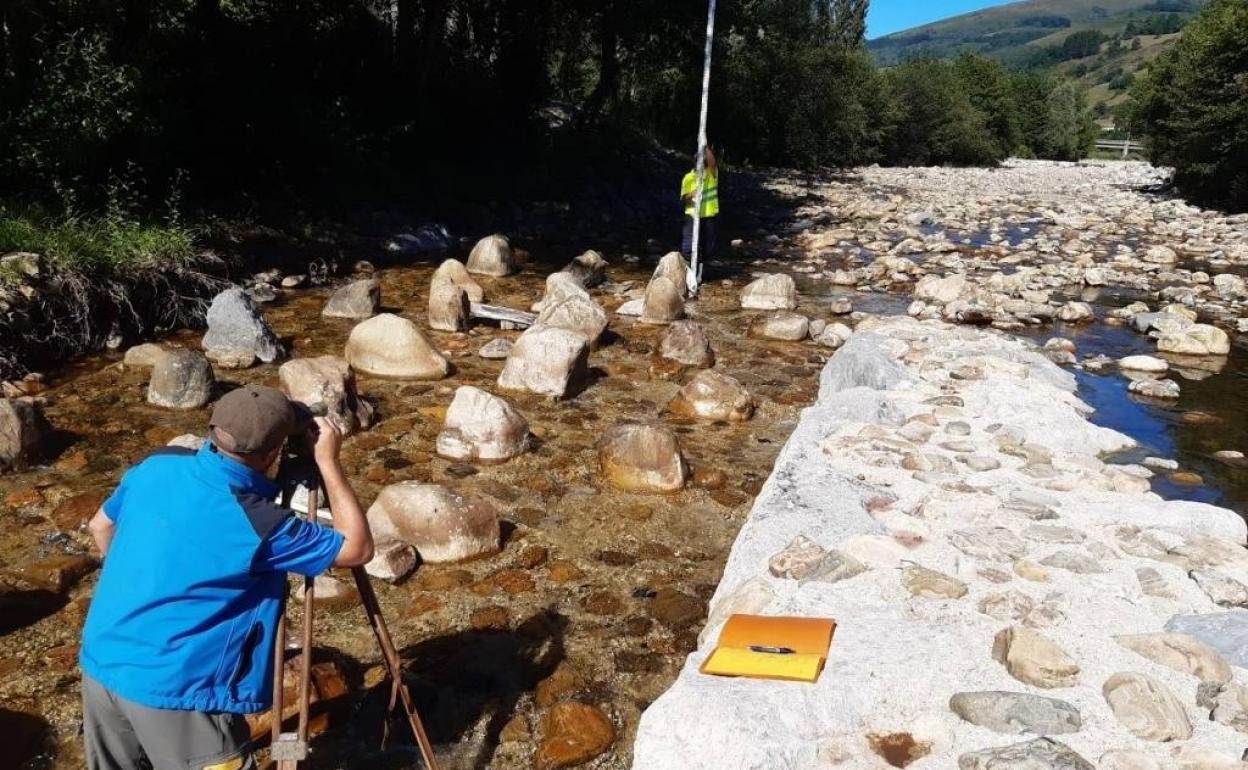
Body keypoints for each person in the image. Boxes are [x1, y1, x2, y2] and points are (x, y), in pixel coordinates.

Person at [79, 384, 374, 770]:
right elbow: (357, 549)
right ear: (272, 454)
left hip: (102, 663)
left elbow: (101, 526)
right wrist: (328, 463)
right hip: (179, 689)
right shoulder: (258, 521)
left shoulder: (156, 465)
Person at [680, 146, 720, 265]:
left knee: (708, 247)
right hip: (692, 215)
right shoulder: (688, 178)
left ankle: (701, 267)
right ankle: (688, 269)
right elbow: (683, 199)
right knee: (688, 246)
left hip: (708, 215)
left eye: (703, 162)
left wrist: (705, 147)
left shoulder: (711, 174)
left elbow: (713, 162)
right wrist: (691, 194)